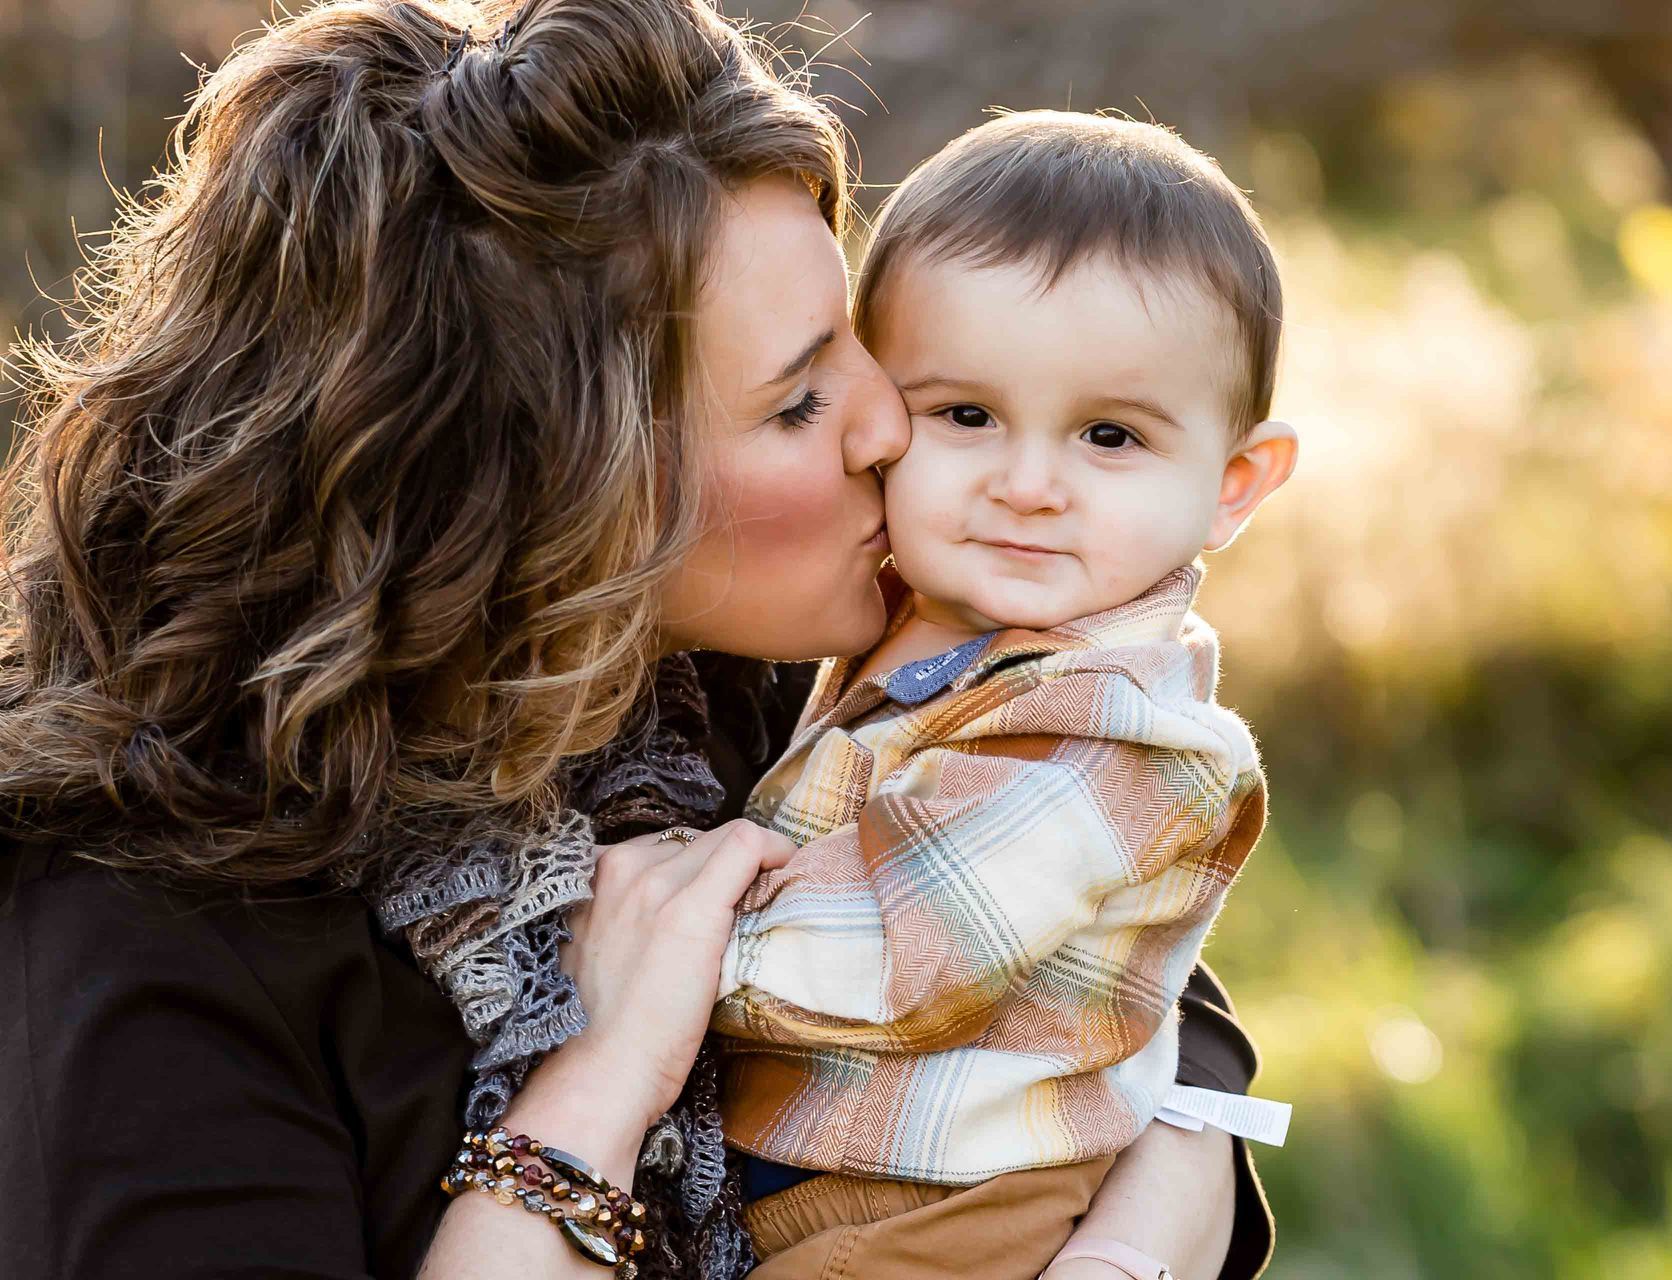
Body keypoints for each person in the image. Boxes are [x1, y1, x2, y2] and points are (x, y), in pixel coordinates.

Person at [0, 3, 1273, 1278]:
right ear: (547, 495)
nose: (893, 426)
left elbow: (1152, 999)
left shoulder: (739, 679)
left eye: (856, 342)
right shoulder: (145, 949)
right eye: (799, 397)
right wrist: (602, 1075)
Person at [688, 111, 1298, 1280]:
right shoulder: (913, 620)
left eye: (1109, 435)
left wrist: (632, 941)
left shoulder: (1116, 727)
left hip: (935, 1213)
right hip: (828, 1181)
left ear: (1233, 484)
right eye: (965, 415)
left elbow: (888, 954)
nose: (1026, 485)